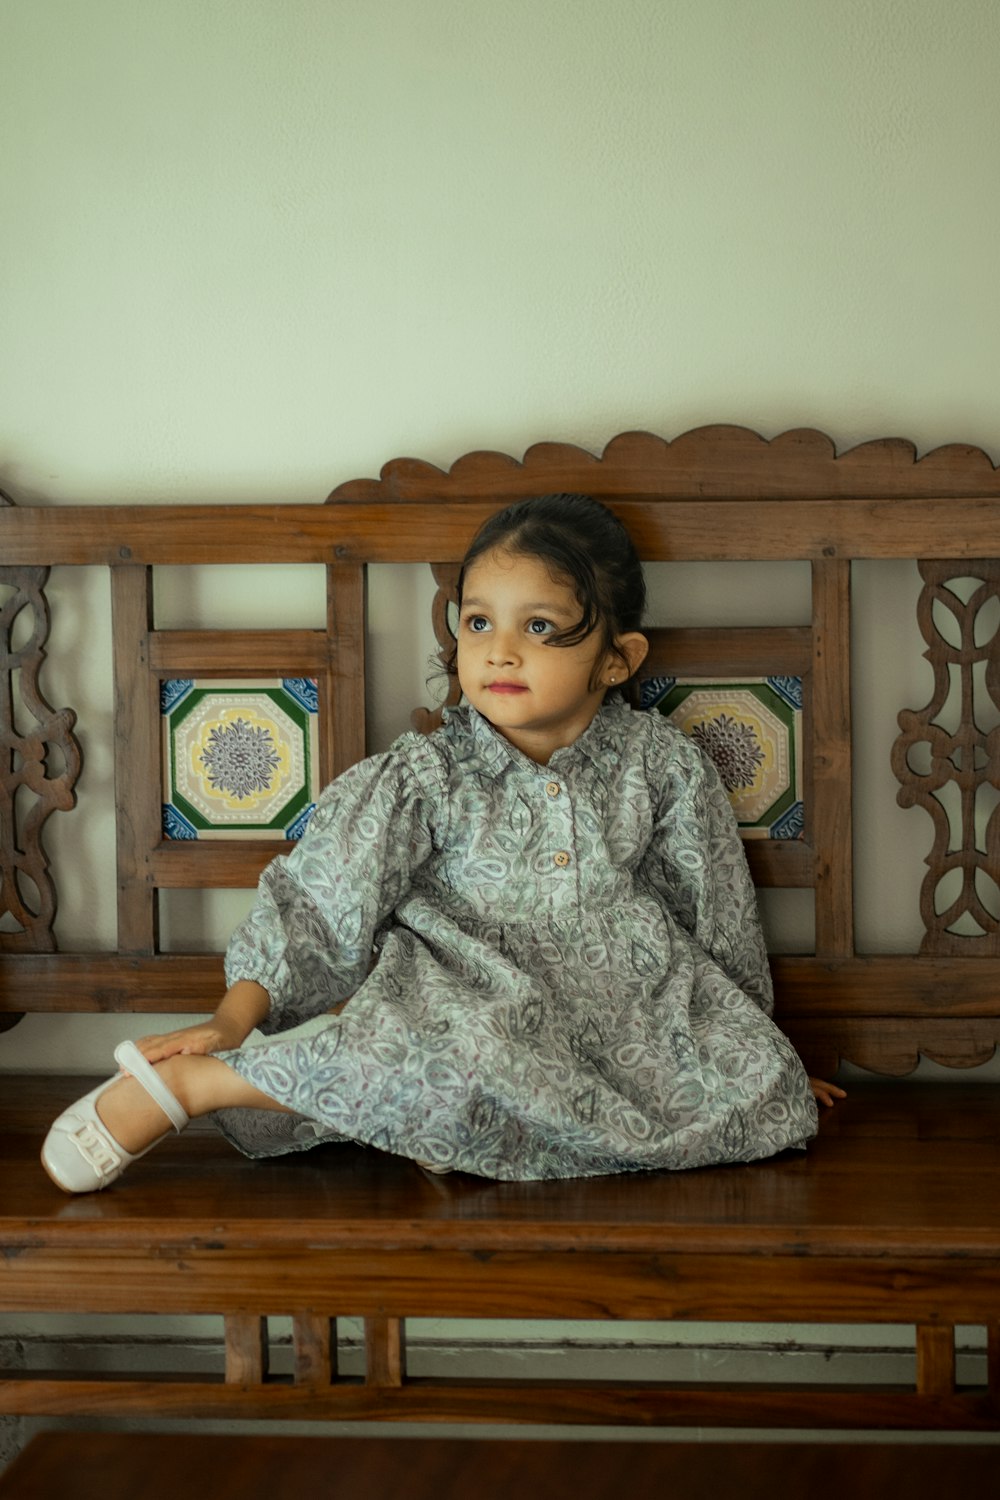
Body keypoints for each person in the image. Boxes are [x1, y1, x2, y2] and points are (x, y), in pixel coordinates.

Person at [42, 493, 844, 1193]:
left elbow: (716, 911)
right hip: (465, 1006)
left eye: (540, 626)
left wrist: (747, 1045)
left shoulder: (661, 765)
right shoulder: (426, 774)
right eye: (478, 621)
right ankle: (202, 1084)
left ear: (616, 660)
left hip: (629, 1021)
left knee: (766, 1099)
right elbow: (320, 904)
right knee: (450, 1068)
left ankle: (457, 1132)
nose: (500, 650)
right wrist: (231, 1019)